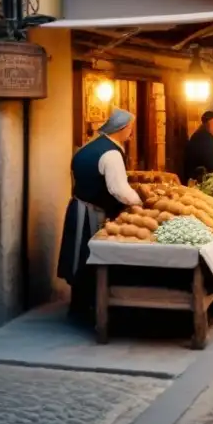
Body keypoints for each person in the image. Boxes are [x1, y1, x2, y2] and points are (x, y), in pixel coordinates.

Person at [58, 108, 143, 320]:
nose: (131, 132)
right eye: (130, 127)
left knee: (80, 257)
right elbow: (118, 189)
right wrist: (138, 202)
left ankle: (78, 305)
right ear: (122, 128)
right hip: (91, 213)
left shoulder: (88, 147)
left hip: (78, 207)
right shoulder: (111, 153)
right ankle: (91, 309)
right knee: (92, 258)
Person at [183, 110, 213, 183]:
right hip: (199, 180)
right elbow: (212, 164)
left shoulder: (212, 136)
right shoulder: (202, 138)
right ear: (210, 123)